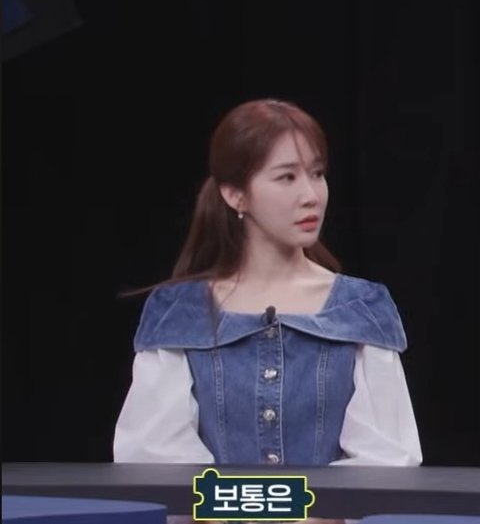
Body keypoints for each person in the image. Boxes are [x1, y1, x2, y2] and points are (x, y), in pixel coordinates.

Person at [113, 98, 422, 523]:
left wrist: (304, 517)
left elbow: (386, 460)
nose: (311, 195)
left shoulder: (360, 308)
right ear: (235, 194)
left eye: (317, 174)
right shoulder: (181, 312)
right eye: (287, 177)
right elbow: (154, 459)